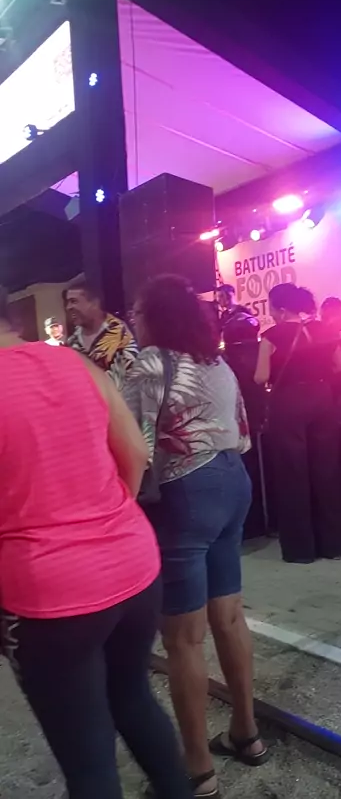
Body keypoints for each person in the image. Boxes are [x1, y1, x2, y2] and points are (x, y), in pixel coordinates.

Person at [0, 286, 191, 799]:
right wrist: (102, 521)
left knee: (87, 760)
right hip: (133, 564)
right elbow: (135, 453)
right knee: (133, 698)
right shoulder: (75, 363)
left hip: (50, 594)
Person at [123, 274, 268, 799]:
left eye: (137, 312)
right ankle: (247, 733)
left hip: (186, 491)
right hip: (234, 482)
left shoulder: (149, 364)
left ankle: (197, 770)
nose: (132, 321)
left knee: (183, 638)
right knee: (228, 616)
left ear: (155, 317)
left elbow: (132, 443)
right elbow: (243, 432)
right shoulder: (215, 362)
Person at [254, 283, 341, 563]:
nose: (271, 314)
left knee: (292, 474)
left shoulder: (271, 336)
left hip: (288, 402)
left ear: (282, 310)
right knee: (326, 470)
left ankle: (300, 550)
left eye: (271, 308)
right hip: (322, 397)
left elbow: (260, 377)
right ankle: (333, 545)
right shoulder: (323, 329)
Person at [66, 275, 138, 387]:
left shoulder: (120, 335)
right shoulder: (72, 342)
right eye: (68, 302)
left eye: (74, 301)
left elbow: (132, 380)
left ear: (94, 303)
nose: (68, 307)